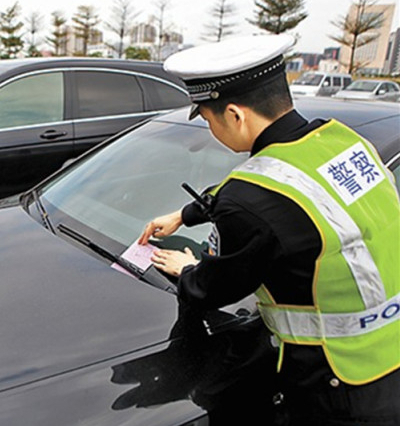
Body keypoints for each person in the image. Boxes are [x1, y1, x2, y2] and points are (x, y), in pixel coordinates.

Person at [138, 34, 400, 426]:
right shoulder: (341, 140)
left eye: (208, 119)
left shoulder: (252, 200)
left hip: (340, 383)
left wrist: (187, 269)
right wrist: (186, 214)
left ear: (235, 115)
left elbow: (216, 287)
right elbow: (285, 188)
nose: (211, 129)